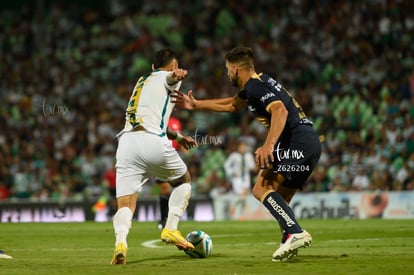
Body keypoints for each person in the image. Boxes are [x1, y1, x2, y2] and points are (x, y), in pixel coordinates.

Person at [173, 46, 321, 261]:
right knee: (281, 196)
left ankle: (295, 233)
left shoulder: (254, 86)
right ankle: (290, 238)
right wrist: (196, 104)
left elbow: (280, 110)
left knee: (261, 187)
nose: (226, 74)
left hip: (295, 141)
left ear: (235, 68)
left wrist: (268, 145)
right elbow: (233, 104)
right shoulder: (259, 82)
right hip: (310, 142)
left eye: (227, 69)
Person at [111, 48, 197, 265]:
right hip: (152, 141)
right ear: (172, 67)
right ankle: (171, 228)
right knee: (183, 181)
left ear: (151, 67)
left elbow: (151, 116)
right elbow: (168, 79)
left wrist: (178, 136)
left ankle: (120, 244)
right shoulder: (168, 77)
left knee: (125, 205)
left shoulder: (142, 80)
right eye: (174, 68)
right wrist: (176, 75)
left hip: (126, 144)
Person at [157, 116, 183, 230]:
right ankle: (164, 219)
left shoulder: (176, 121)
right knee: (165, 189)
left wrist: (183, 147)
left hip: (174, 156)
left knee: (175, 189)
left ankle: (170, 218)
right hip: (161, 156)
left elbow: (178, 138)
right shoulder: (158, 119)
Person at [221, 140, 256, 220]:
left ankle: (238, 212)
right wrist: (231, 172)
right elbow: (226, 165)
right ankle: (236, 213)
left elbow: (252, 166)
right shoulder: (234, 155)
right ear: (238, 148)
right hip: (237, 178)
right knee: (241, 194)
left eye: (244, 147)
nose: (243, 148)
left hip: (246, 178)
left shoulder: (248, 156)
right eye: (241, 147)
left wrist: (255, 167)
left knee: (244, 196)